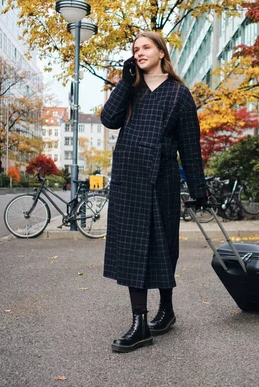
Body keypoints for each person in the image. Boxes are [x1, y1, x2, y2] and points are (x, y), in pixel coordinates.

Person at [100, 31, 207, 353]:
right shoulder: (130, 90)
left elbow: (190, 146)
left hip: (162, 178)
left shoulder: (179, 94)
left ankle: (167, 309)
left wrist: (199, 190)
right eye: (135, 49)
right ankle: (140, 323)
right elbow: (108, 119)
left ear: (161, 52)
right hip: (128, 178)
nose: (139, 52)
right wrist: (123, 81)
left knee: (163, 245)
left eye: (146, 47)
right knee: (133, 247)